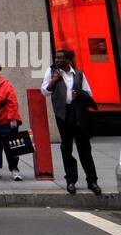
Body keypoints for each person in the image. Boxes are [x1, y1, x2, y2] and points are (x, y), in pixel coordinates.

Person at [41, 51, 102, 196]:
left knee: (84, 148)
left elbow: (89, 94)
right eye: (56, 58)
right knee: (66, 147)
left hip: (78, 114)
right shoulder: (51, 72)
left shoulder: (79, 75)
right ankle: (71, 180)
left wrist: (79, 95)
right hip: (62, 114)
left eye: (60, 58)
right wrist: (54, 80)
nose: (57, 60)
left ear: (69, 60)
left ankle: (92, 181)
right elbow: (44, 91)